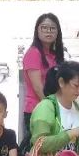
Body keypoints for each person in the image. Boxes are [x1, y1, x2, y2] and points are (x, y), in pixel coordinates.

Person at [21, 13, 66, 143]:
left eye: (52, 28)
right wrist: (51, 108)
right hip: (37, 109)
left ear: (58, 32)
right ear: (37, 31)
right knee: (36, 153)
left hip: (53, 108)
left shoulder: (55, 55)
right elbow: (37, 87)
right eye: (44, 27)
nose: (48, 31)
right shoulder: (33, 53)